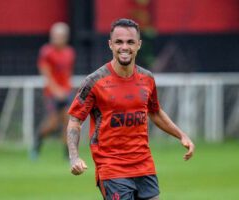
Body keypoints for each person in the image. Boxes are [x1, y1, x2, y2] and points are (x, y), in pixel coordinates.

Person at [67, 18, 194, 200]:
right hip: (112, 168)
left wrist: (182, 135)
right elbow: (75, 120)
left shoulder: (147, 79)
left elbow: (155, 112)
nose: (124, 47)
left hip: (144, 165)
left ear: (139, 45)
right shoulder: (94, 81)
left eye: (130, 42)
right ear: (110, 44)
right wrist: (74, 157)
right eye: (119, 42)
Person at [31, 22, 76, 159]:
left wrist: (66, 90)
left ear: (65, 37)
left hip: (66, 92)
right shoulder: (47, 52)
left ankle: (67, 154)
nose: (56, 38)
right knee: (52, 124)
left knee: (68, 123)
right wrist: (56, 90)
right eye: (54, 35)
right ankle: (36, 144)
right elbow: (46, 74)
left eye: (59, 36)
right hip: (52, 93)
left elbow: (68, 74)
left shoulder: (69, 52)